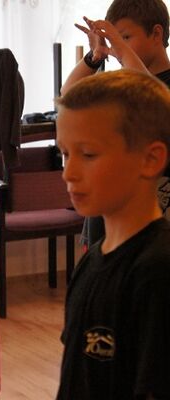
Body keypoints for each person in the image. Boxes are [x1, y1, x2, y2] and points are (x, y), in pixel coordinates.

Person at [55, 69, 170, 399]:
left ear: (150, 159)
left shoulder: (158, 270)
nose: (68, 173)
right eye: (65, 154)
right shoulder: (92, 260)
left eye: (88, 154)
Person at [61, 0, 170, 248]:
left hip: (150, 231)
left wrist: (119, 47)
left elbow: (149, 97)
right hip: (104, 225)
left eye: (126, 37)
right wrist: (95, 57)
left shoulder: (150, 88)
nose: (116, 47)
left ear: (156, 34)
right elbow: (69, 96)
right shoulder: (120, 83)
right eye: (115, 40)